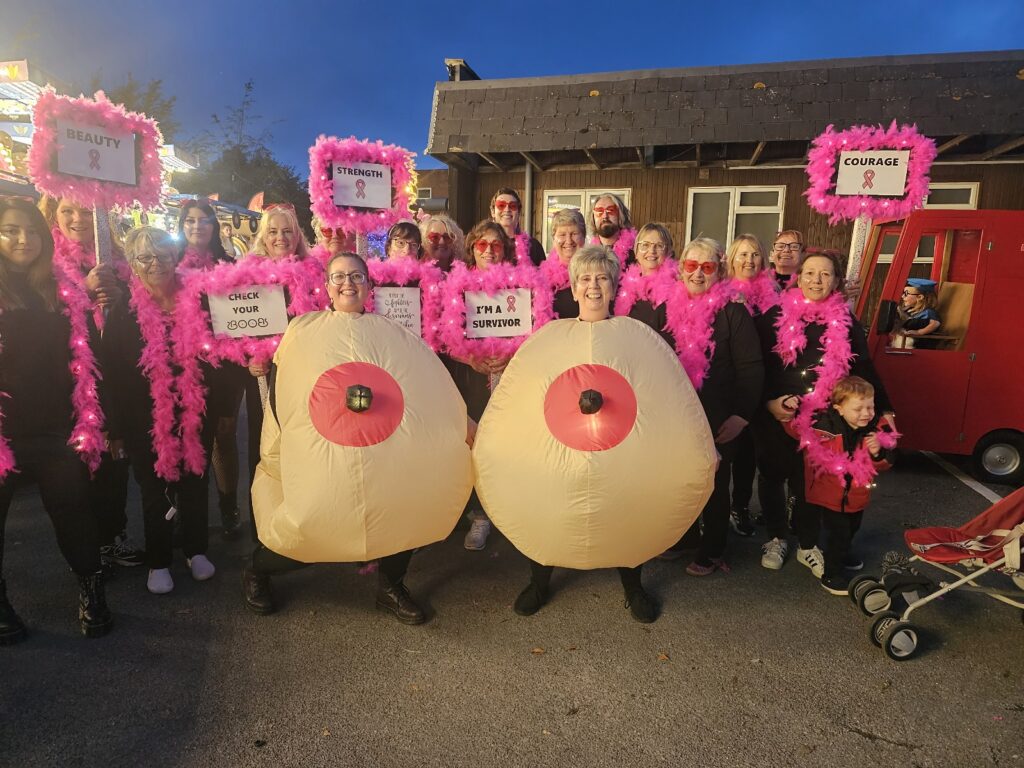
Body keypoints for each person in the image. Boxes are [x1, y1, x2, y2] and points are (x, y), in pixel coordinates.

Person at [241, 252, 429, 624]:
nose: (348, 283)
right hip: (322, 445)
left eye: (357, 276)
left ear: (370, 286)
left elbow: (417, 382)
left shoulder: (392, 333)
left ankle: (391, 586)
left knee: (399, 515)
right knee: (310, 522)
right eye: (339, 276)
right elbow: (284, 391)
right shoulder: (303, 329)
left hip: (381, 445)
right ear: (326, 287)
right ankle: (259, 570)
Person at [513, 244, 657, 623]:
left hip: (622, 444)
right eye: (585, 279)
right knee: (550, 507)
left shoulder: (635, 335)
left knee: (627, 510)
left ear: (614, 287)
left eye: (602, 279)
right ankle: (540, 580)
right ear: (573, 289)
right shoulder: (550, 336)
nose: (593, 286)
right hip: (560, 444)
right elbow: (528, 388)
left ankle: (633, 585)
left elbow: (654, 387)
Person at [0, 197, 112, 640]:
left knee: (73, 512)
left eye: (30, 231)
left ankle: (91, 588)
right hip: (2, 430)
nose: (23, 239)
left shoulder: (59, 286)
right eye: (11, 230)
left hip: (54, 423)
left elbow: (84, 350)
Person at [754, 250, 894, 573]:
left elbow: (865, 366)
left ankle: (806, 542)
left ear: (835, 281)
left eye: (825, 274)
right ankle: (776, 536)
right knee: (773, 473)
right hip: (779, 411)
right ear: (798, 276)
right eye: (810, 273)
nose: (817, 280)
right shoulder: (772, 316)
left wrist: (886, 408)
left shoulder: (845, 321)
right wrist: (768, 402)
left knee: (810, 480)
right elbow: (754, 366)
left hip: (824, 419)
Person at [103, 228, 216, 595]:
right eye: (145, 258)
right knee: (154, 490)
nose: (156, 264)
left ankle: (196, 549)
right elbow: (114, 374)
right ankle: (158, 560)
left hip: (195, 409)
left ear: (175, 258)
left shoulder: (197, 300)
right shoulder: (123, 313)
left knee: (196, 483)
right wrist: (115, 429)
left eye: (163, 256)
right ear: (133, 266)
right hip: (144, 418)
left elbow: (217, 347)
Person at [39, 195, 142, 568]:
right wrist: (84, 286)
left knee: (117, 457)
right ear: (54, 214)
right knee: (79, 467)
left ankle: (113, 536)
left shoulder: (114, 258)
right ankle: (87, 551)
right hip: (70, 380)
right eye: (68, 210)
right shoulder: (43, 260)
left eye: (85, 211)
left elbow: (137, 312)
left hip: (116, 374)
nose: (77, 219)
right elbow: (43, 314)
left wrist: (122, 294)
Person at [662, 238, 763, 573]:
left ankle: (714, 547)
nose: (699, 274)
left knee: (715, 483)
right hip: (678, 416)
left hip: (720, 417)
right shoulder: (668, 309)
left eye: (707, 267)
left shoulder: (733, 312)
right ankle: (687, 537)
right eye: (692, 266)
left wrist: (741, 417)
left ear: (719, 271)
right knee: (680, 479)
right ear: (681, 270)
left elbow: (751, 368)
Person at [242, 204, 317, 542]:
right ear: (263, 235)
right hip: (263, 375)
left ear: (297, 235)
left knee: (303, 444)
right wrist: (248, 358)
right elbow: (235, 324)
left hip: (303, 374)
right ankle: (264, 525)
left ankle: (301, 517)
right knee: (265, 447)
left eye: (287, 231)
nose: (280, 238)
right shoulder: (247, 274)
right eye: (273, 231)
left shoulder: (314, 271)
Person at [783, 376, 896, 594]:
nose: (866, 413)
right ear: (839, 408)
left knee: (852, 528)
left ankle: (842, 553)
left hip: (857, 495)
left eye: (870, 406)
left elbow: (886, 462)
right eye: (858, 408)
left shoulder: (876, 430)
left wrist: (878, 453)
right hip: (829, 494)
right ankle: (831, 574)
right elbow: (795, 428)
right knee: (838, 534)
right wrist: (787, 410)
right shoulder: (823, 425)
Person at [177, 199, 245, 540]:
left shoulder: (229, 266)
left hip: (223, 368)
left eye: (204, 220)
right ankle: (188, 514)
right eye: (190, 220)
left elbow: (243, 320)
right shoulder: (168, 266)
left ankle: (228, 504)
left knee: (223, 437)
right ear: (181, 225)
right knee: (185, 439)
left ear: (214, 227)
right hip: (179, 368)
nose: (197, 226)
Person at [448, 220, 517, 551]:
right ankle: (479, 517)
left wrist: (513, 354)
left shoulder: (521, 287)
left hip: (512, 379)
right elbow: (443, 339)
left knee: (509, 444)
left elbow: (536, 332)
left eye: (496, 245)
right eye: (482, 245)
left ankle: (509, 510)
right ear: (472, 249)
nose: (489, 250)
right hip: (472, 380)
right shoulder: (457, 287)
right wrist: (470, 359)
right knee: (475, 444)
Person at [723, 234, 778, 537]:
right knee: (729, 451)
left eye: (755, 254)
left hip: (764, 382)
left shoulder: (774, 293)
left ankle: (740, 506)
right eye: (742, 254)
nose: (749, 260)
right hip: (733, 384)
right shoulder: (721, 293)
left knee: (750, 456)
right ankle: (714, 511)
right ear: (732, 259)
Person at [613, 222, 675, 345]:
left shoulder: (676, 288)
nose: (651, 251)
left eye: (659, 245)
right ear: (636, 252)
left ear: (668, 252)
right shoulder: (624, 284)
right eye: (645, 245)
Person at [541, 208, 587, 319]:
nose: (568, 240)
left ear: (584, 238)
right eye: (562, 235)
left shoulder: (594, 271)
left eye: (574, 233)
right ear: (553, 240)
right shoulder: (542, 276)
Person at [490, 188, 545, 266]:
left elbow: (544, 276)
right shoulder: (484, 246)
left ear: (518, 213)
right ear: (493, 212)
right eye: (501, 205)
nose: (507, 209)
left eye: (512, 206)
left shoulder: (533, 246)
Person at [587, 193, 636, 266]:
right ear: (593, 217)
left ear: (621, 215)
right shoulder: (587, 254)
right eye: (599, 211)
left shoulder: (636, 252)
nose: (605, 216)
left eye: (611, 210)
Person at [897, 278, 942, 348]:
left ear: (920, 297)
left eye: (906, 293)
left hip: (919, 346)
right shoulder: (910, 312)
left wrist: (919, 332)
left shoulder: (928, 312)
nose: (902, 296)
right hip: (906, 343)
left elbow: (935, 324)